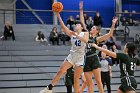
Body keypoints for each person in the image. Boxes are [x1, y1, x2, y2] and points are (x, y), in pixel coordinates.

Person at [39, 2, 89, 93]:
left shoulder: (85, 33)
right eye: (76, 24)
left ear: (81, 27)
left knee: (76, 79)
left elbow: (85, 41)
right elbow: (62, 26)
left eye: (78, 24)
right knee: (61, 70)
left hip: (80, 58)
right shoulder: (71, 33)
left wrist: (77, 36)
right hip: (72, 55)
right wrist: (58, 15)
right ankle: (49, 88)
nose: (76, 25)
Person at [79, 1, 118, 93]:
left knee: (99, 82)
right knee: (89, 83)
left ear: (96, 31)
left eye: (93, 28)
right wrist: (81, 9)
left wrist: (113, 24)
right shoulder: (86, 35)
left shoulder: (97, 39)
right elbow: (82, 20)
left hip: (94, 59)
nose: (91, 28)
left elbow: (109, 34)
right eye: (91, 27)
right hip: (86, 60)